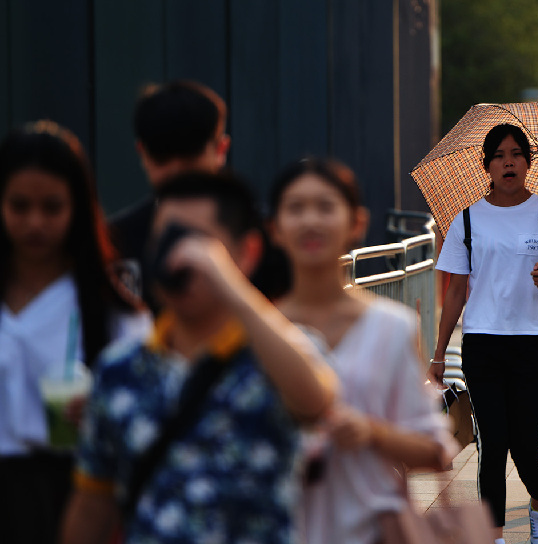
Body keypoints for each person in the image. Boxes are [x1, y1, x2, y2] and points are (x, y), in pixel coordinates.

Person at [61, 172, 337, 544]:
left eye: (195, 241)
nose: (176, 256)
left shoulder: (281, 355)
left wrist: (230, 284)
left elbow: (315, 401)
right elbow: (92, 506)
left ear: (247, 252)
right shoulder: (120, 369)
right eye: (164, 240)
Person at [267, 158, 457, 544]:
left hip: (372, 530)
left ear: (356, 222)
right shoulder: (261, 331)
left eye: (325, 206)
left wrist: (371, 433)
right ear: (274, 228)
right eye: (295, 208)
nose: (310, 221)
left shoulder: (392, 326)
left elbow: (436, 451)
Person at [0, 121, 150, 544]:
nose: (35, 223)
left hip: (78, 492)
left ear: (78, 208)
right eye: (18, 206)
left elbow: (150, 402)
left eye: (52, 207)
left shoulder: (108, 306)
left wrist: (106, 407)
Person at [428, 123, 538, 544]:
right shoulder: (467, 219)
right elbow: (456, 289)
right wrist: (439, 353)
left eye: (516, 154)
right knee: (492, 445)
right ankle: (493, 534)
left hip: (532, 342)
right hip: (482, 342)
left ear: (529, 162)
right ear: (487, 165)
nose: (508, 162)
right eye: (498, 155)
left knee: (526, 447)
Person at [109, 80, 230, 311]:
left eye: (189, 159)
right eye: (163, 158)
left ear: (221, 150)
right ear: (142, 153)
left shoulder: (264, 235)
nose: (176, 172)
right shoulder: (114, 242)